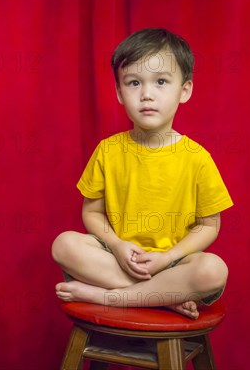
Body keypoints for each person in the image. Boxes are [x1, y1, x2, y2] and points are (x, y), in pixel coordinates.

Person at [52, 28, 233, 319]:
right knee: (64, 244)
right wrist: (118, 245)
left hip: (173, 265)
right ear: (119, 93)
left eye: (161, 81)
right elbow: (93, 214)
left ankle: (113, 297)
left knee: (213, 270)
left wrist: (167, 259)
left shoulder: (198, 158)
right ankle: (159, 298)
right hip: (117, 259)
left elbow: (209, 225)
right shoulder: (108, 151)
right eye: (134, 83)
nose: (147, 94)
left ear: (184, 90)